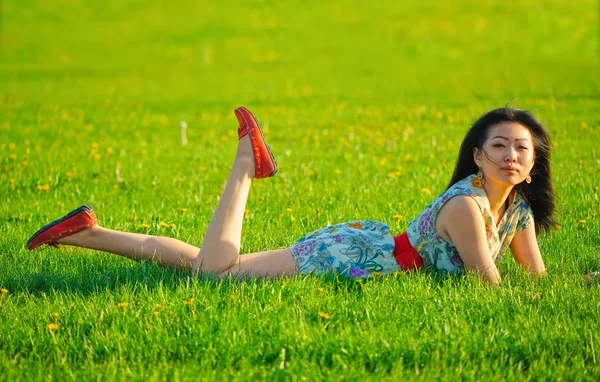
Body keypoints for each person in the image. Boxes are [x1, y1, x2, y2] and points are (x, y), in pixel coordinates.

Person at [27, 106, 556, 287]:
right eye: (499, 145)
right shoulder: (466, 204)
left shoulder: (519, 211)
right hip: (360, 258)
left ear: (532, 165)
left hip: (373, 254)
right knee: (216, 274)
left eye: (521, 149)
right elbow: (491, 283)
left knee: (205, 264)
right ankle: (245, 166)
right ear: (478, 156)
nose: (511, 154)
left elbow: (533, 280)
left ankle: (87, 232)